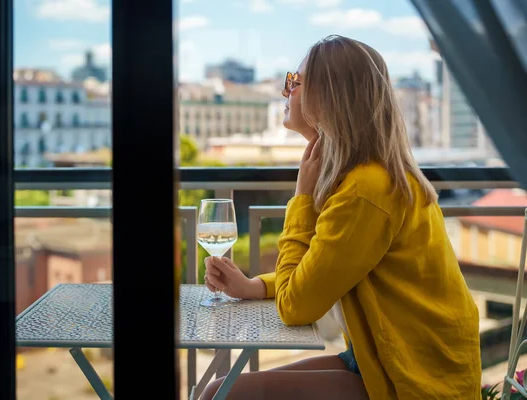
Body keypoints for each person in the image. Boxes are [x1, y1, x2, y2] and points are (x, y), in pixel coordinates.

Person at [200, 35, 482, 400]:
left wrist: (301, 199)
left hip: (416, 380)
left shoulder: (366, 191)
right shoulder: (363, 178)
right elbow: (327, 267)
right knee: (215, 393)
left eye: (294, 82)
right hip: (387, 360)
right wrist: (257, 286)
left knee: (222, 396)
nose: (286, 92)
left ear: (329, 97)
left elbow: (296, 308)